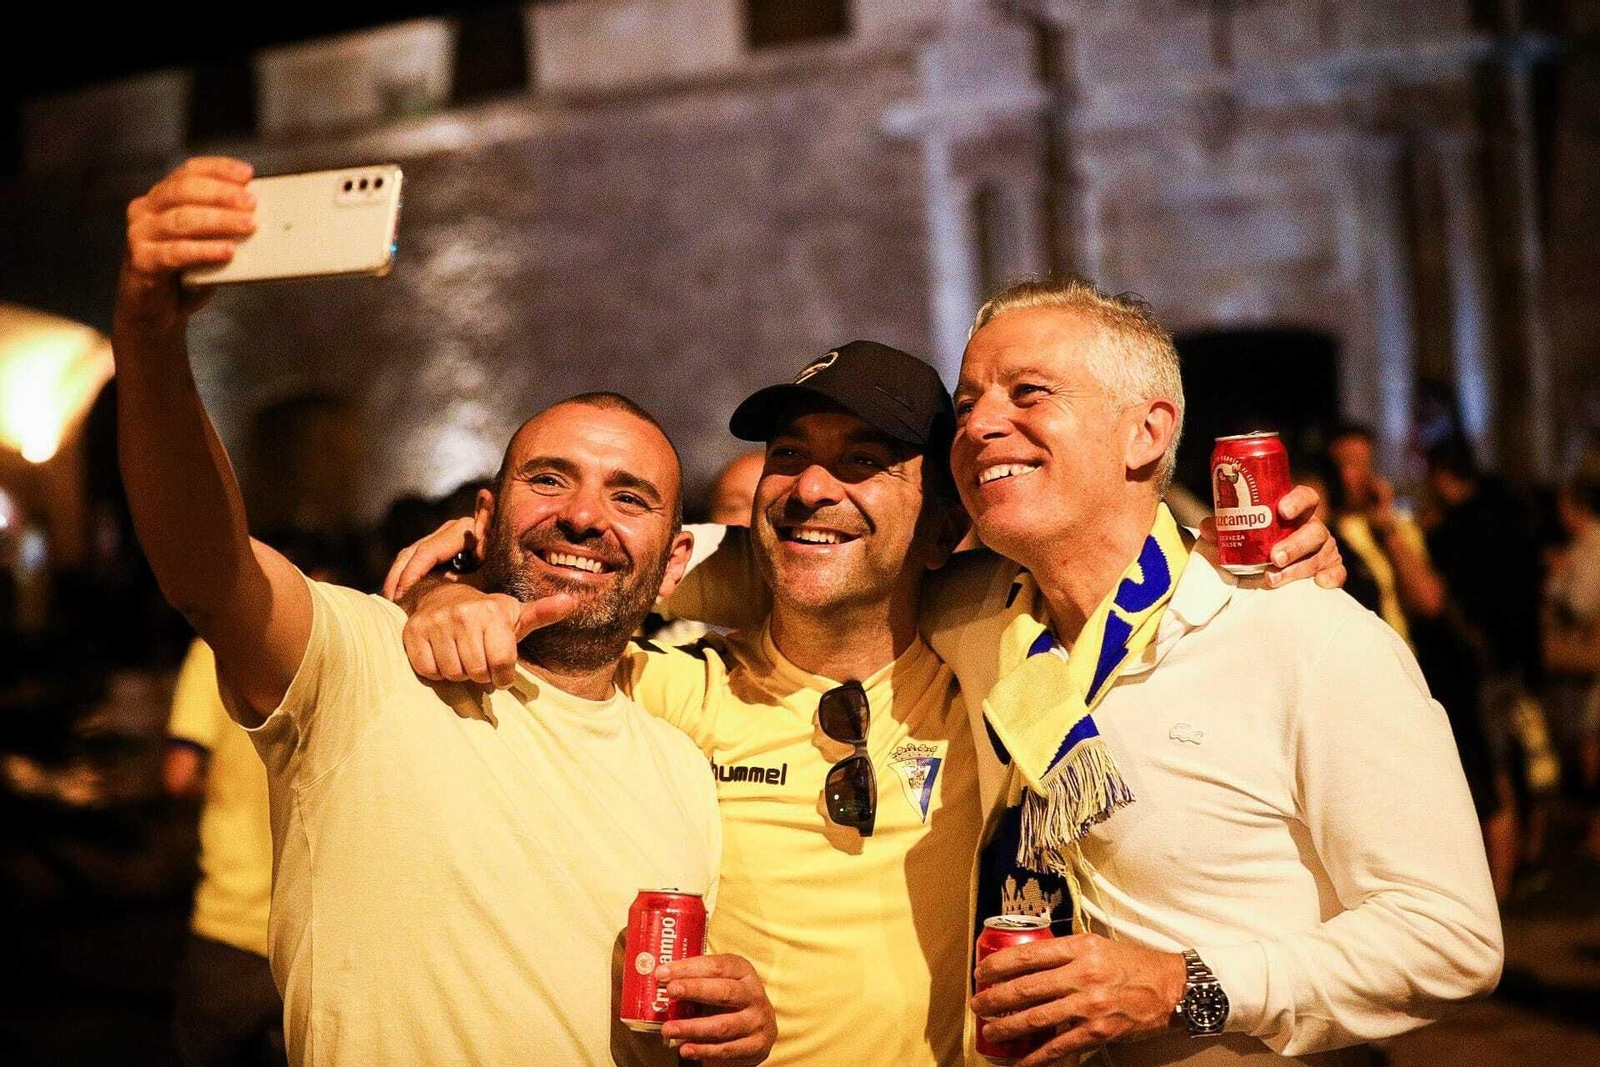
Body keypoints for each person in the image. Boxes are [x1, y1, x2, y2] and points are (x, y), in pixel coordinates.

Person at [388, 342, 1344, 1066]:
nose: (811, 487)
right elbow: (618, 580)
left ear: (942, 528)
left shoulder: (1004, 660)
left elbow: (1118, 571)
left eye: (863, 461)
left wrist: (1247, 565)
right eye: (791, 454)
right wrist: (465, 582)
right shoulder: (664, 691)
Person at [114, 156, 775, 1067]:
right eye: (550, 478)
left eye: (631, 497)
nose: (584, 513)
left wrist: (734, 1019)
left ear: (672, 564)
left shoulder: (681, 768)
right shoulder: (364, 661)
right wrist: (148, 338)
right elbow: (205, 563)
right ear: (482, 520)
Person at [919, 279, 1501, 1065]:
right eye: (966, 406)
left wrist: (1185, 985)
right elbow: (785, 567)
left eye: (1028, 392)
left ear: (1146, 433)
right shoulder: (974, 618)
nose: (982, 424)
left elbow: (1450, 937)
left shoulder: (1301, 631)